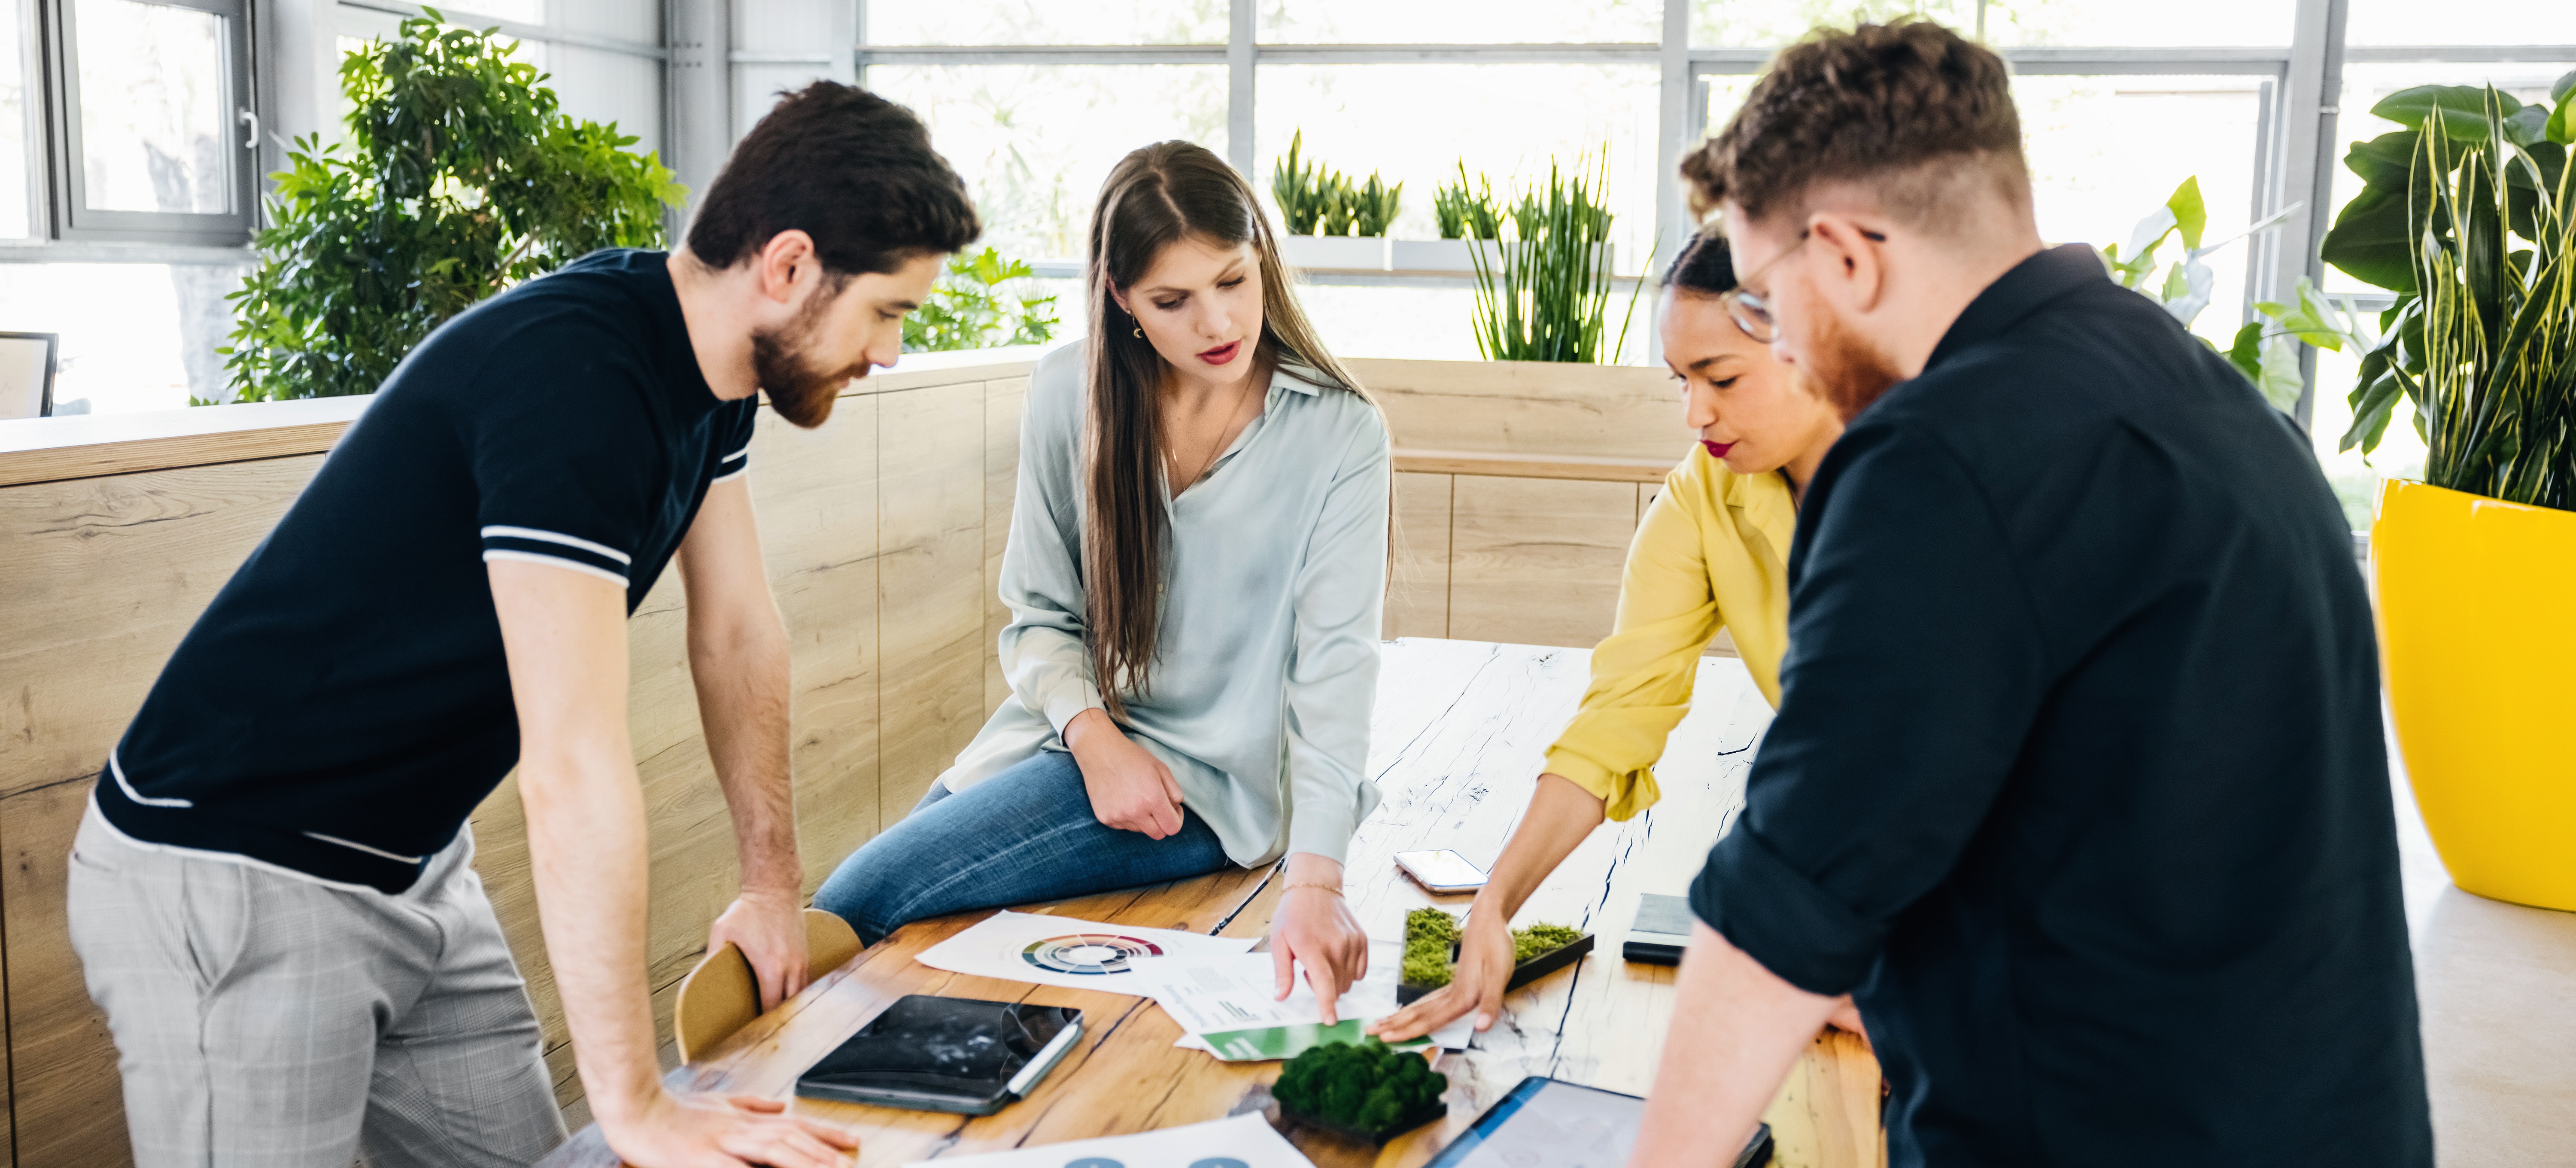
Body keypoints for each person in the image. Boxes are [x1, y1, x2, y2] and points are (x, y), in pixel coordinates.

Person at [69, 82, 978, 1168]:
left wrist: (770, 886)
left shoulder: (713, 372)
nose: (889, 354)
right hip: (237, 865)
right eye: (888, 312)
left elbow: (737, 634)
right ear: (786, 267)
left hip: (412, 858)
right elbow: (573, 765)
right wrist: (638, 1104)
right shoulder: (577, 383)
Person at [1626, 20, 2431, 1167]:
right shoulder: (2220, 407)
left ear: (1848, 254)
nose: (1784, 346)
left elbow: (1781, 912)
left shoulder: (1936, 464)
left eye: (1767, 297)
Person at [815, 140, 1387, 1020]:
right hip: (1067, 740)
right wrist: (1096, 740)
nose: (1217, 323)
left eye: (1234, 281)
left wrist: (1317, 876)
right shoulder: (1063, 391)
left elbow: (1335, 671)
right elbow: (1041, 617)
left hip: (1206, 788)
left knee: (860, 900)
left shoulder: (1341, 432)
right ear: (1121, 298)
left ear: (1262, 258)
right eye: (1173, 300)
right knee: (869, 896)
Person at [1370, 230, 1850, 1043]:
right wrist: (1494, 906)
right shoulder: (1706, 493)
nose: (1696, 414)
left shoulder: (1938, 476)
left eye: (1722, 378)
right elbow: (1616, 719)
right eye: (1682, 381)